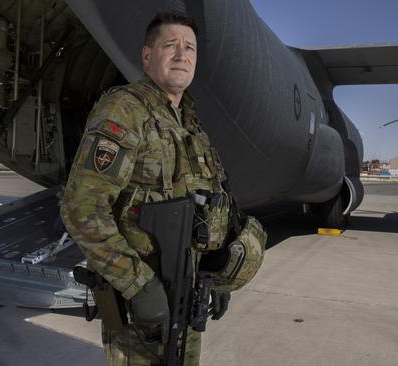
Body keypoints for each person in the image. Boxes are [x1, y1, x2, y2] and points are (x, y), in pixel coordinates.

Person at [61, 11, 265, 366]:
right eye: (170, 45)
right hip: (141, 307)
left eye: (190, 48)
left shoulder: (191, 125)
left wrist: (216, 275)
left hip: (187, 299)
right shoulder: (125, 110)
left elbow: (212, 206)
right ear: (147, 56)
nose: (182, 54)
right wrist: (138, 284)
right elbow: (81, 208)